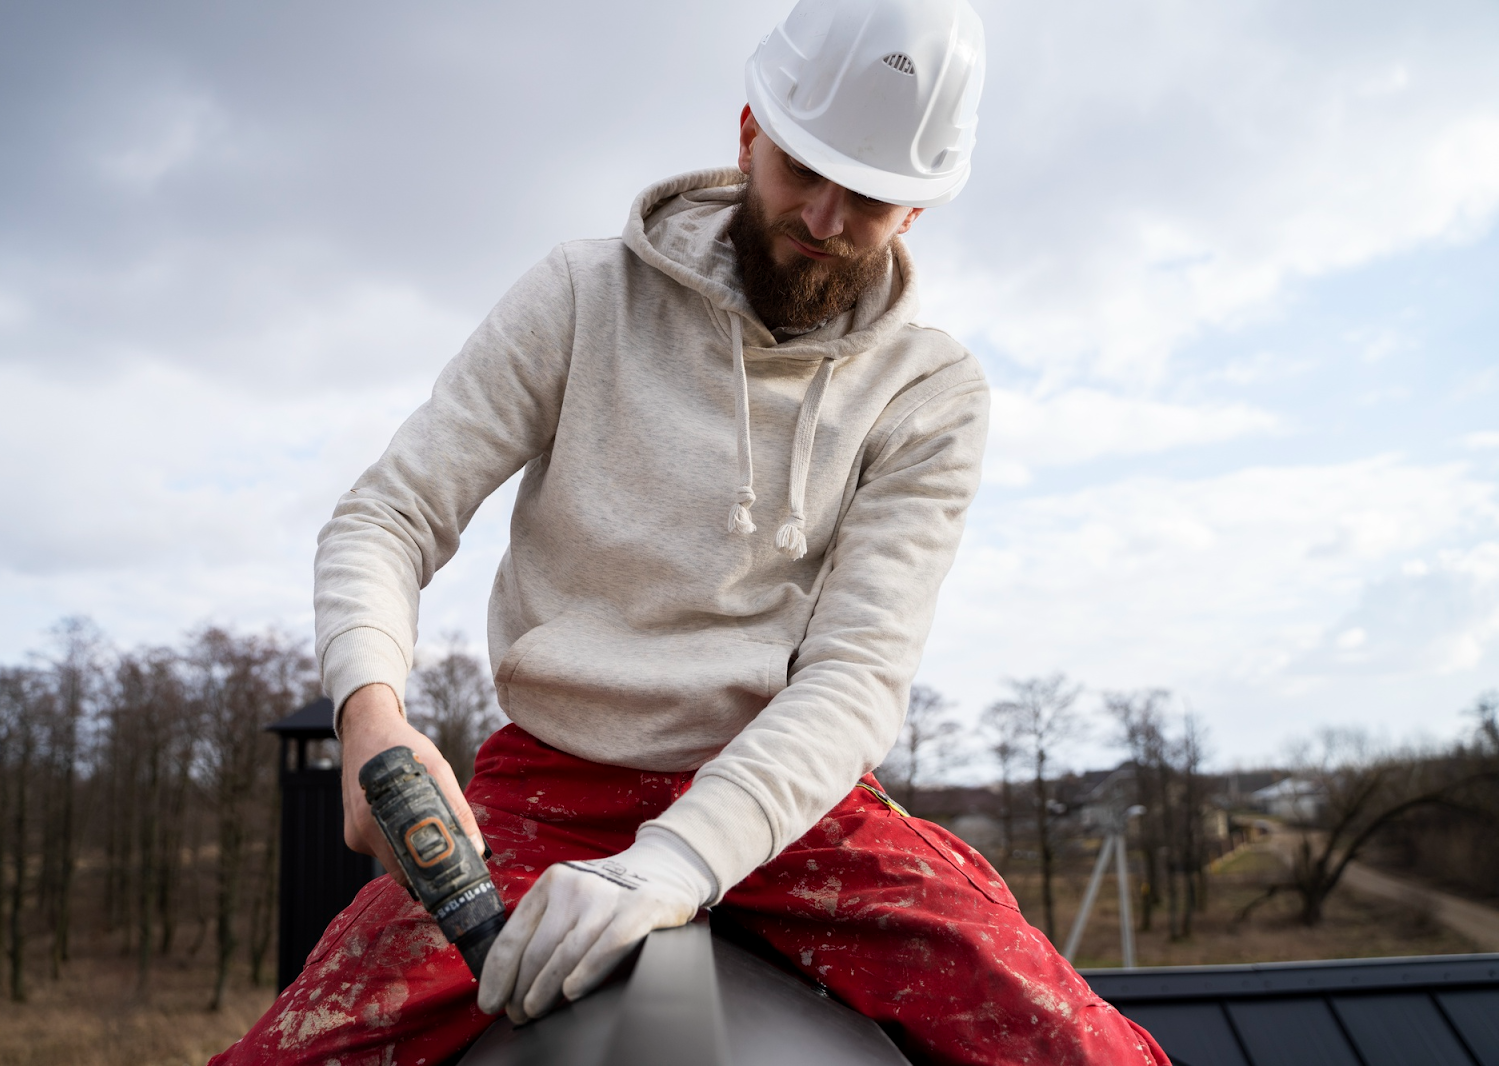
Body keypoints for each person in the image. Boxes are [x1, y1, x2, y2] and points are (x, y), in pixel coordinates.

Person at [213, 0, 1168, 1062]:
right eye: (802, 168)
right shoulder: (580, 296)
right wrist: (368, 713)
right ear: (751, 131)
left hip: (794, 801)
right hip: (551, 788)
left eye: (870, 198)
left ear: (918, 212)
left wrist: (671, 864)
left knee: (1074, 1043)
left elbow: (854, 677)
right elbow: (387, 514)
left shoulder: (929, 391)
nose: (823, 215)